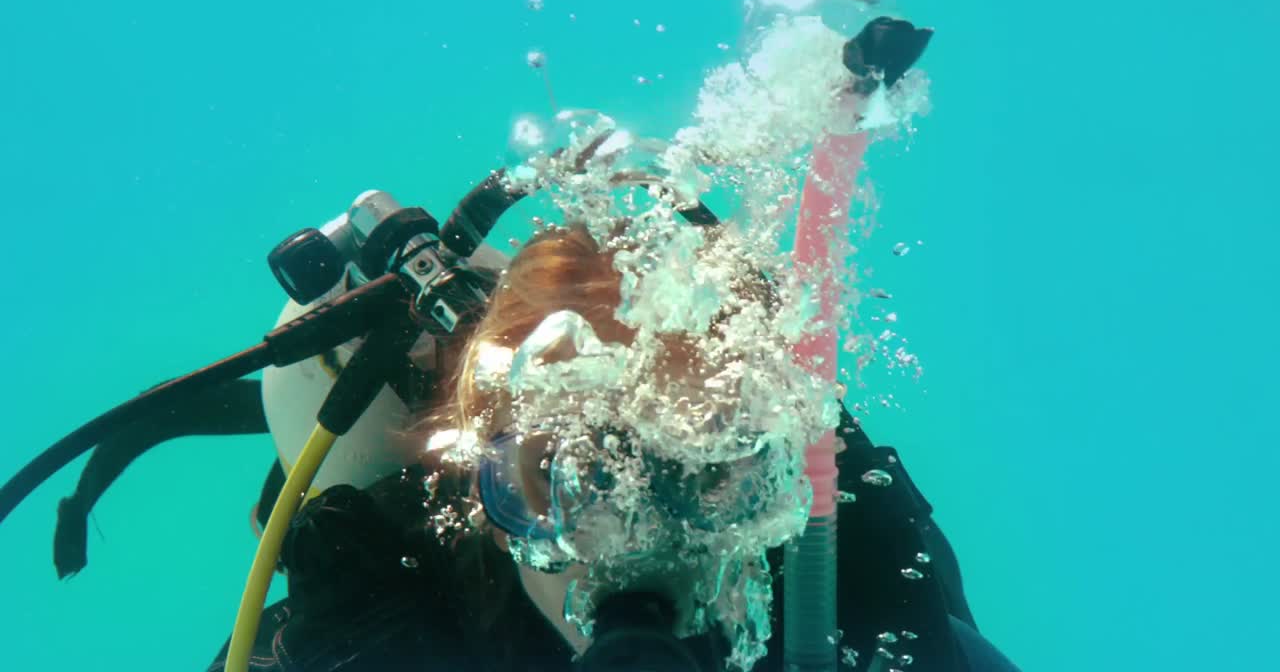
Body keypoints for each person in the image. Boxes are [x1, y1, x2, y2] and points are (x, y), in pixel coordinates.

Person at [206, 201, 1020, 671]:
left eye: (702, 470)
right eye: (566, 474)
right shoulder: (381, 632)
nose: (636, 541)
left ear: (776, 490)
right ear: (487, 497)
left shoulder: (872, 629)